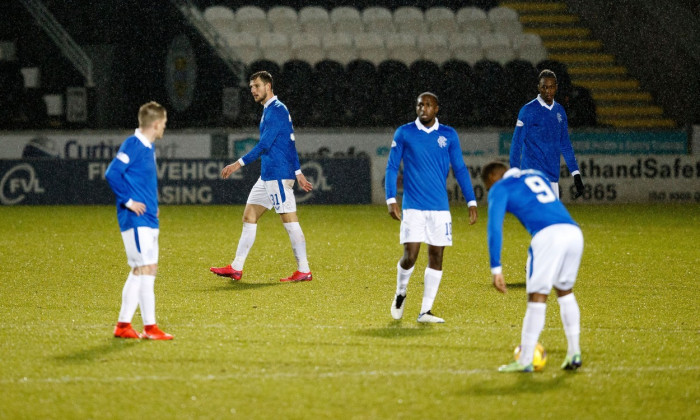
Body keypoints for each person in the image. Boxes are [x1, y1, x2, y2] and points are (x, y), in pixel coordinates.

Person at [210, 71, 314, 282]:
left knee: (290, 221)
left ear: (268, 86)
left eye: (257, 86)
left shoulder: (276, 110)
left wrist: (237, 164)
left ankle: (304, 270)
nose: (253, 91)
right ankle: (236, 267)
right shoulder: (271, 110)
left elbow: (265, 145)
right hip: (267, 176)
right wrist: (299, 172)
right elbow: (290, 143)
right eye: (251, 87)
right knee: (249, 216)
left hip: (276, 175)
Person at [385, 92, 478, 323]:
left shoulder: (449, 135)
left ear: (437, 109)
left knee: (437, 256)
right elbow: (391, 167)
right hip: (413, 206)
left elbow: (461, 169)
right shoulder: (404, 132)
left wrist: (471, 201)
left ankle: (425, 311)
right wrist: (391, 199)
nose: (423, 108)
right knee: (411, 255)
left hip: (439, 208)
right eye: (419, 104)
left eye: (428, 105)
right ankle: (401, 292)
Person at [482, 161, 583, 372]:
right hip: (573, 232)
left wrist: (496, 268)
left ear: (492, 178)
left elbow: (494, 228)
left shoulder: (500, 187)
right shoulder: (535, 174)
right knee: (565, 292)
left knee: (537, 297)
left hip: (548, 236)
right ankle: (574, 353)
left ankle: (525, 359)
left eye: (487, 187)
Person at [105, 101, 173, 340]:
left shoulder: (147, 146)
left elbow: (142, 181)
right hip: (134, 219)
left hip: (148, 219)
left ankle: (123, 325)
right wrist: (128, 201)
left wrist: (152, 206)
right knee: (144, 269)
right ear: (155, 124)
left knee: (145, 269)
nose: (164, 127)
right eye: (163, 124)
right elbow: (112, 173)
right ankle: (150, 327)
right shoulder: (133, 144)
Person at [509, 69, 585, 199]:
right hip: (532, 177)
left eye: (551, 87)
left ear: (556, 88)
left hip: (552, 178)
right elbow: (516, 144)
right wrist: (515, 174)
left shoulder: (560, 111)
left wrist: (576, 174)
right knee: (536, 219)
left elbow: (565, 145)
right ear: (538, 87)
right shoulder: (528, 110)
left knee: (550, 220)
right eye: (544, 87)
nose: (547, 91)